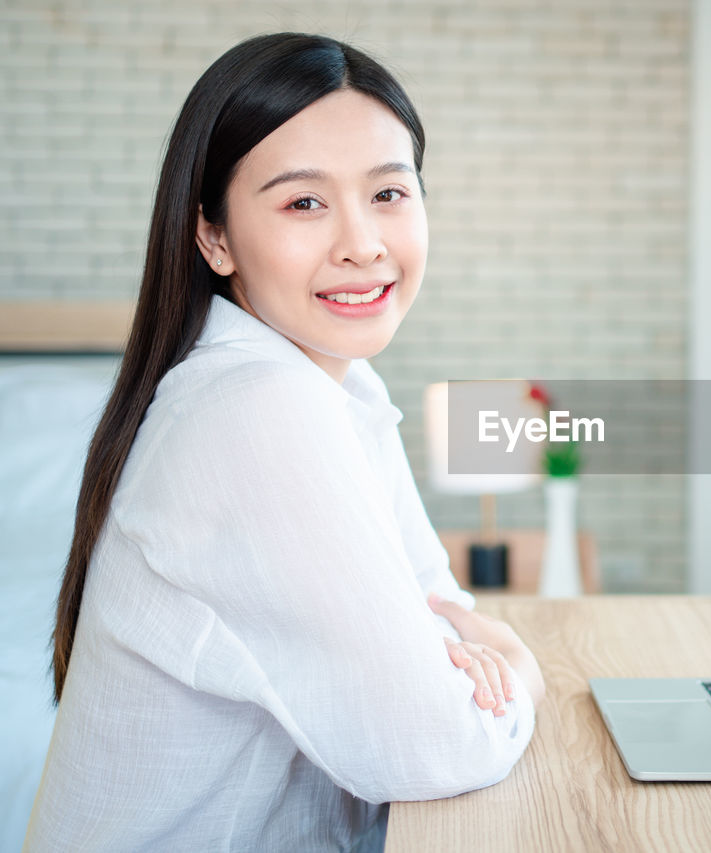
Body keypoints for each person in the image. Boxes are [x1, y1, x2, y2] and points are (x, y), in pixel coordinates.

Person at [24, 33, 544, 852]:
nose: (362, 243)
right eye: (304, 203)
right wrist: (519, 665)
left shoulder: (339, 385)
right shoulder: (255, 411)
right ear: (214, 238)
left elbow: (438, 609)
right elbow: (443, 737)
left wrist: (453, 652)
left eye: (389, 194)